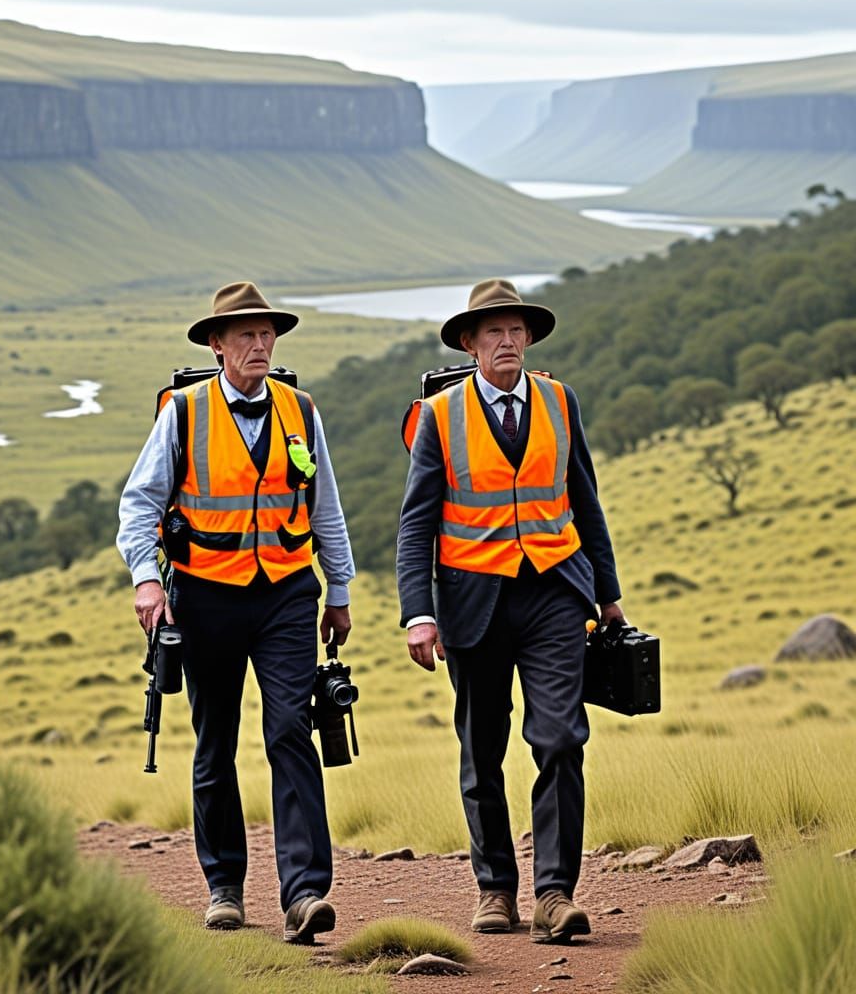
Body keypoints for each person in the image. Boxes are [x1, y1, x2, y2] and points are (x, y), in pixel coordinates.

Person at [117, 280, 355, 944]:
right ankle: (224, 886)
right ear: (217, 344)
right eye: (245, 335)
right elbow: (139, 506)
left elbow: (325, 510)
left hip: (284, 594)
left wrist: (338, 590)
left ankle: (305, 893)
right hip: (204, 597)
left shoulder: (301, 410)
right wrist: (146, 582)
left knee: (290, 731)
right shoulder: (183, 414)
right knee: (214, 740)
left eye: (266, 334)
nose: (259, 345)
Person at [396, 278, 625, 944]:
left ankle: (555, 894)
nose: (506, 342)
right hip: (473, 602)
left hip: (556, 592)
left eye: (516, 330)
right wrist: (419, 611)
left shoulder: (560, 401)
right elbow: (416, 524)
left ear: (529, 338)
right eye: (492, 331)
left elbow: (586, 498)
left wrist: (608, 594)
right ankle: (496, 888)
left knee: (560, 738)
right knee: (483, 750)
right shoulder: (440, 416)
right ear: (469, 343)